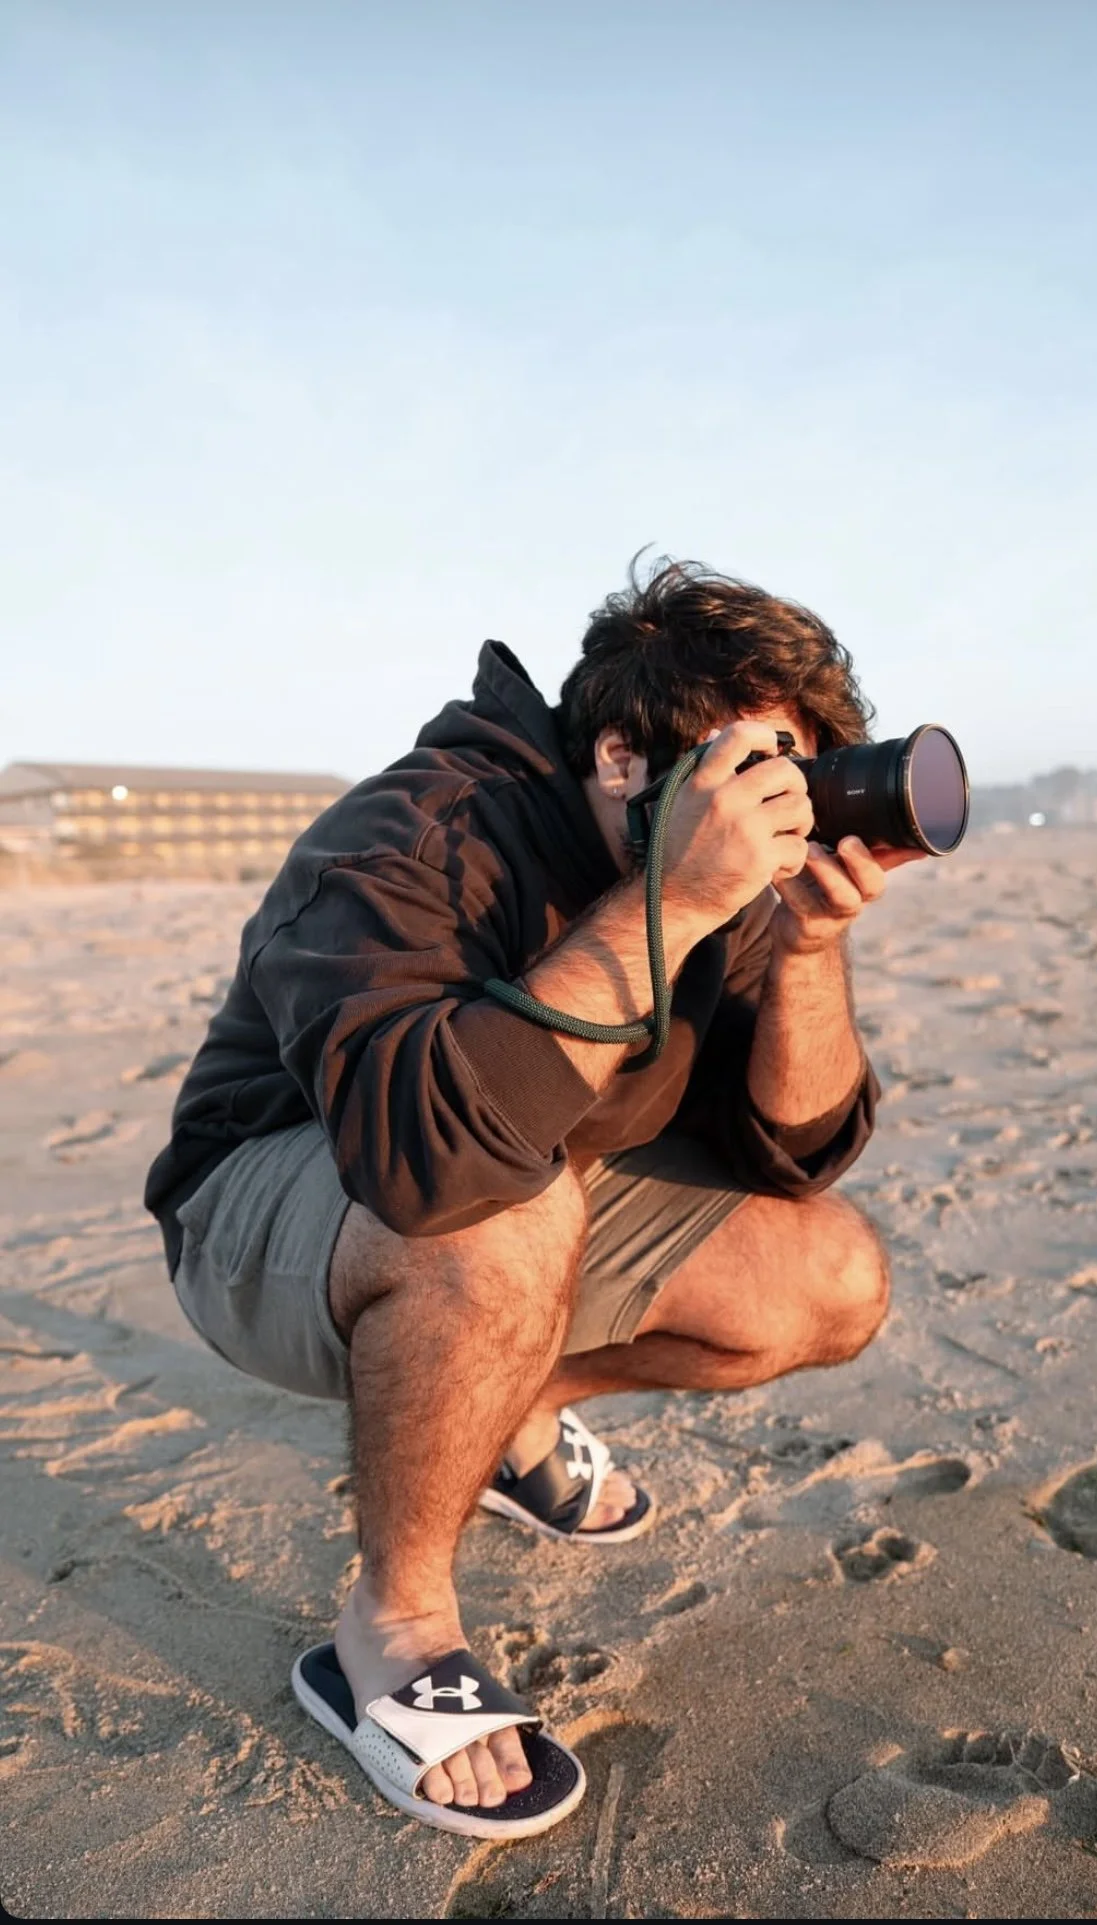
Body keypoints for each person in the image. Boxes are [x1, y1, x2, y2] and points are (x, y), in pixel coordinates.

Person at [145, 557, 917, 1839]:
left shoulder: (722, 880)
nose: (782, 805)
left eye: (803, 771)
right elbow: (430, 1161)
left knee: (830, 1274)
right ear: (624, 755)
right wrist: (672, 899)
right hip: (268, 1215)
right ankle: (386, 1631)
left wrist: (807, 952)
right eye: (759, 766)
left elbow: (795, 1149)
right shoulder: (410, 834)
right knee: (506, 1205)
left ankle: (505, 1418)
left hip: (520, 1181)